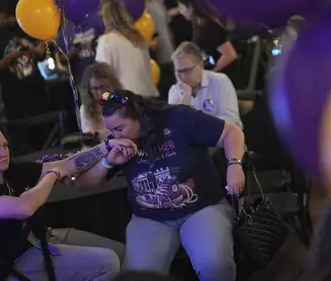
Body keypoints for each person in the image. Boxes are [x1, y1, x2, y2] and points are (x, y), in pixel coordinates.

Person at [75, 90, 245, 281]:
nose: (115, 136)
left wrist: (234, 164)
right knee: (136, 276)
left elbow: (232, 133)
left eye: (120, 129)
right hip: (150, 218)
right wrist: (109, 162)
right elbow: (84, 182)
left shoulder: (178, 118)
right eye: (111, 131)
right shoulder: (118, 143)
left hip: (201, 208)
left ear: (138, 117)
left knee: (214, 265)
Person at [0, 123, 130, 281]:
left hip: (39, 239)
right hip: (12, 262)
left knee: (123, 253)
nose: (4, 153)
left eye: (5, 146)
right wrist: (52, 176)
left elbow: (67, 165)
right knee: (108, 262)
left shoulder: (10, 170)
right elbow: (24, 208)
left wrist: (106, 146)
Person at [0, 0, 49, 120]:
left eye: (14, 15)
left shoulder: (25, 27)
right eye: (7, 16)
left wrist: (31, 48)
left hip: (37, 90)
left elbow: (43, 52)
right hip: (14, 98)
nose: (12, 19)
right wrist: (8, 58)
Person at [168, 42, 241, 128]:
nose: (183, 76)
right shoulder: (175, 90)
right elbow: (175, 126)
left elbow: (230, 120)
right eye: (179, 72)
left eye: (187, 70)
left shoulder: (220, 81)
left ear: (201, 65)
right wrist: (186, 95)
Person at [95, 0, 159, 98]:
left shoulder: (106, 41)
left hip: (127, 100)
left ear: (105, 19)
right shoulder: (138, 37)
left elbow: (102, 75)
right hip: (148, 95)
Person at [190, 0, 243, 89]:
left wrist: (212, 73)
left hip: (225, 81)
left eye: (182, 7)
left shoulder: (210, 28)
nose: (180, 11)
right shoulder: (200, 26)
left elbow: (230, 54)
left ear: (190, 8)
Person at [139, 0, 175, 99]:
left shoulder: (158, 2)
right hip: (156, 58)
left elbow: (167, 25)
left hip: (170, 53)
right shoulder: (141, 8)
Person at [79, 62, 123, 139]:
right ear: (89, 90)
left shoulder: (121, 104)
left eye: (102, 87)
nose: (100, 92)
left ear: (110, 86)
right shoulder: (84, 109)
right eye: (95, 89)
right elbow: (88, 139)